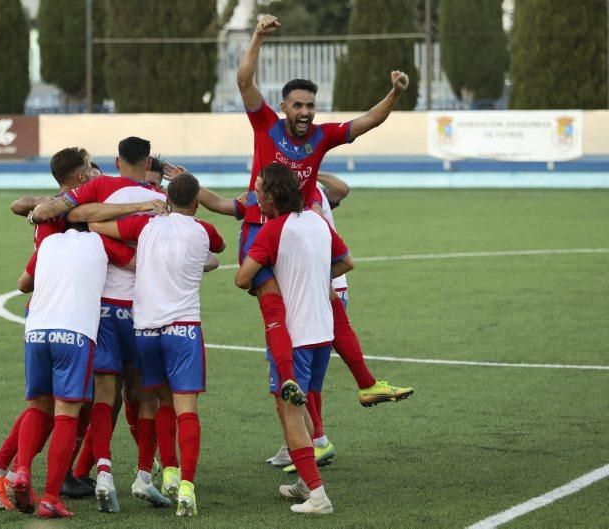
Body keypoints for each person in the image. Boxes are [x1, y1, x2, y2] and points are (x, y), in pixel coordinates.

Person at [234, 14, 413, 408]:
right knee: (272, 298)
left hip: (298, 233)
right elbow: (245, 81)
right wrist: (258, 35)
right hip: (260, 230)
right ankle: (287, 381)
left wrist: (395, 94)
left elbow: (367, 122)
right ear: (283, 106)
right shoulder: (265, 125)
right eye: (297, 105)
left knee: (329, 301)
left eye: (310, 106)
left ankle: (364, 385)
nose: (305, 111)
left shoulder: (321, 136)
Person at [0, 148, 164, 510]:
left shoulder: (49, 229)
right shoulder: (91, 234)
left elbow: (24, 263)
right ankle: (28, 477)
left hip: (42, 319)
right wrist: (136, 211)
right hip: (75, 323)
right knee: (69, 407)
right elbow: (110, 237)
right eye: (94, 173)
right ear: (81, 180)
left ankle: (21, 471)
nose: (100, 179)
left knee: (48, 405)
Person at [30, 136, 167, 514]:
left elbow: (65, 212)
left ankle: (102, 471)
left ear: (118, 159)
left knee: (104, 395)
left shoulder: (101, 186)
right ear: (149, 162)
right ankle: (146, 474)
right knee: (145, 395)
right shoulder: (160, 198)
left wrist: (44, 210)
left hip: (102, 310)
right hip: (142, 309)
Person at [90, 172, 224, 516]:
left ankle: (163, 470)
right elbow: (218, 248)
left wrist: (133, 248)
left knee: (154, 401)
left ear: (166, 199)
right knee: (186, 408)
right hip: (183, 328)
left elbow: (97, 226)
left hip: (146, 329)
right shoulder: (203, 229)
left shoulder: (144, 227)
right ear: (195, 202)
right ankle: (187, 487)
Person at [235, 162, 352, 515]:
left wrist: (273, 278)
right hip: (322, 334)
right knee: (301, 410)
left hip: (294, 337)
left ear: (271, 195)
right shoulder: (317, 220)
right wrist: (318, 276)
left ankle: (317, 495)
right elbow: (346, 262)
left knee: (289, 412)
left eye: (258, 189)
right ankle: (305, 480)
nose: (255, 194)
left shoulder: (271, 232)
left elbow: (242, 279)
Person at [11, 225, 136, 518]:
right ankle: (51, 497)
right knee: (67, 414)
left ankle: (22, 471)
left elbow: (22, 283)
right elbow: (136, 263)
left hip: (36, 332)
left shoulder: (49, 241)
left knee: (37, 408)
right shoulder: (101, 242)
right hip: (74, 332)